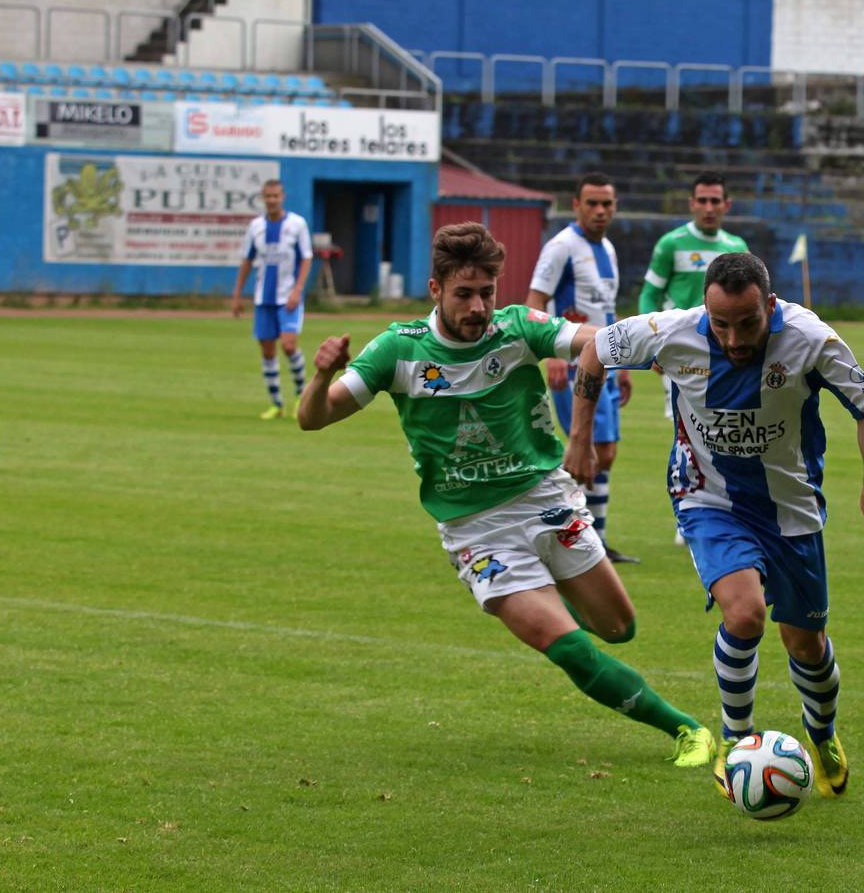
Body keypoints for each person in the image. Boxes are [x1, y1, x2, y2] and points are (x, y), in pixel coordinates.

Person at [298, 222, 715, 767]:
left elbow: (587, 339)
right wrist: (321, 375)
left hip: (546, 498)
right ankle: (687, 730)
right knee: (569, 648)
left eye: (487, 293)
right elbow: (315, 417)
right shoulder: (398, 350)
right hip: (475, 528)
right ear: (435, 291)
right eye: (464, 294)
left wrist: (644, 344)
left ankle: (556, 593)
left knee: (619, 627)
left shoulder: (516, 327)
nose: (477, 307)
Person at [565, 251, 864, 800]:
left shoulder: (811, 339)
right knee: (743, 615)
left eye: (748, 323)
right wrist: (580, 439)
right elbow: (593, 352)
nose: (735, 338)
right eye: (721, 324)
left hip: (791, 508)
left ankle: (824, 733)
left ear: (770, 305)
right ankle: (736, 741)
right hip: (707, 498)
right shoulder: (668, 332)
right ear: (705, 309)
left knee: (806, 644)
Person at [525, 173, 637, 564]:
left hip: (605, 363)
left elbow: (607, 310)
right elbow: (536, 298)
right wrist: (551, 351)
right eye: (592, 203)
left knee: (604, 453)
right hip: (573, 364)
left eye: (607, 203)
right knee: (592, 449)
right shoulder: (561, 247)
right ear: (576, 205)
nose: (601, 210)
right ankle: (552, 525)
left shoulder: (607, 248)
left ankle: (595, 540)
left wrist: (622, 364)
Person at [639, 171, 749, 546]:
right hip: (682, 355)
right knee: (686, 434)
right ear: (691, 203)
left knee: (725, 430)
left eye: (714, 200)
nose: (707, 207)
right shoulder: (671, 244)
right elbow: (649, 296)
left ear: (726, 205)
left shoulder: (736, 246)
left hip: (728, 353)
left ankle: (725, 506)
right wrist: (652, 345)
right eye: (701, 200)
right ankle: (687, 511)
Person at [232, 179, 313, 420]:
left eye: (275, 196)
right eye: (267, 196)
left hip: (287, 297)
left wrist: (298, 289)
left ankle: (301, 396)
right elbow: (247, 260)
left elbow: (307, 258)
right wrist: (237, 294)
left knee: (288, 345)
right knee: (267, 351)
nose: (271, 200)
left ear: (283, 197)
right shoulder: (256, 226)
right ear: (262, 198)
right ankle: (276, 404)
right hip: (263, 298)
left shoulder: (297, 224)